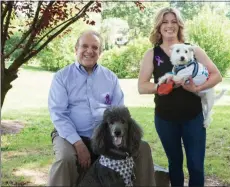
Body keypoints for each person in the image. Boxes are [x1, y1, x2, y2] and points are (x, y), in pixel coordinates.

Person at [47, 30, 155, 186]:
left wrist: (120, 138)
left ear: (100, 52)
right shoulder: (62, 77)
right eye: (84, 46)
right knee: (65, 159)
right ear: (76, 49)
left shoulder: (110, 77)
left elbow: (120, 112)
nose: (89, 51)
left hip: (106, 135)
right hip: (70, 135)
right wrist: (78, 144)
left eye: (95, 47)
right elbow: (58, 114)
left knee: (142, 148)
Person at [138, 7, 223, 187]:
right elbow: (142, 86)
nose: (170, 26)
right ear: (159, 26)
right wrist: (161, 87)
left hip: (193, 117)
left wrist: (197, 87)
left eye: (174, 21)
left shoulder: (193, 50)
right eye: (165, 21)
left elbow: (217, 75)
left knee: (196, 165)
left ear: (179, 25)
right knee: (175, 165)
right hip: (165, 119)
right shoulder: (152, 54)